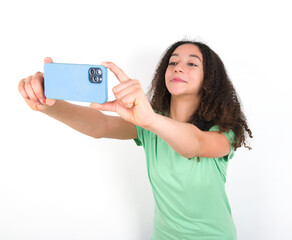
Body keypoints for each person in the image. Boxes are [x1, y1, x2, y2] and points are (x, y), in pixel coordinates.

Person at [18, 40, 253, 240]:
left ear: (209, 80)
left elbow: (195, 144)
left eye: (192, 63)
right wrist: (48, 104)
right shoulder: (150, 125)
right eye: (173, 62)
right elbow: (101, 125)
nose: (178, 68)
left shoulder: (223, 132)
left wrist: (149, 119)